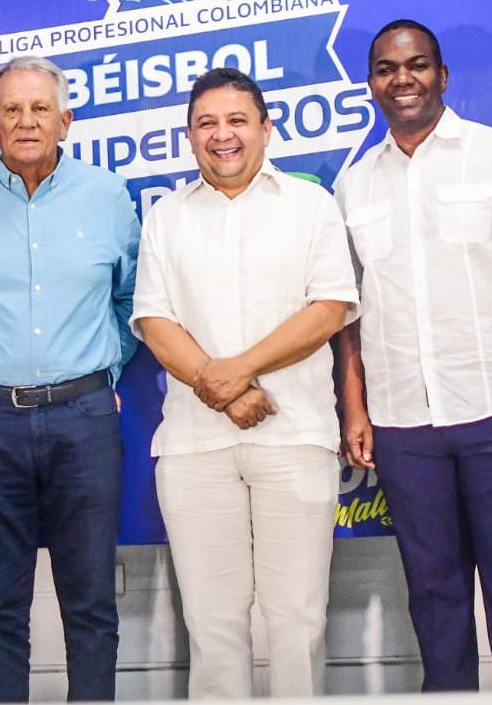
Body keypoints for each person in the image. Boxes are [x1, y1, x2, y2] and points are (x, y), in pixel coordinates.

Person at [336, 19, 492, 691]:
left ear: (442, 75)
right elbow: (346, 310)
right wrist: (355, 406)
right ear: (371, 82)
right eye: (385, 68)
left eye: (415, 65)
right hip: (403, 420)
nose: (400, 78)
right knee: (432, 593)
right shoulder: (354, 186)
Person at [131, 67, 356, 698]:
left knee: (297, 621)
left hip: (295, 437)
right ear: (189, 136)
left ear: (265, 129)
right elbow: (153, 318)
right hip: (194, 447)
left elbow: (328, 309)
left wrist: (238, 370)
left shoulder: (311, 206)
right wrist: (223, 387)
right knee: (212, 623)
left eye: (236, 121)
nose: (222, 135)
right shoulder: (166, 217)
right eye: (206, 124)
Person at [0, 55, 140, 702]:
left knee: (92, 602)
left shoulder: (105, 195)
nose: (24, 121)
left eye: (38, 108)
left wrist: (109, 366)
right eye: (11, 110)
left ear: (64, 119)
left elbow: (132, 300)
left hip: (85, 420)